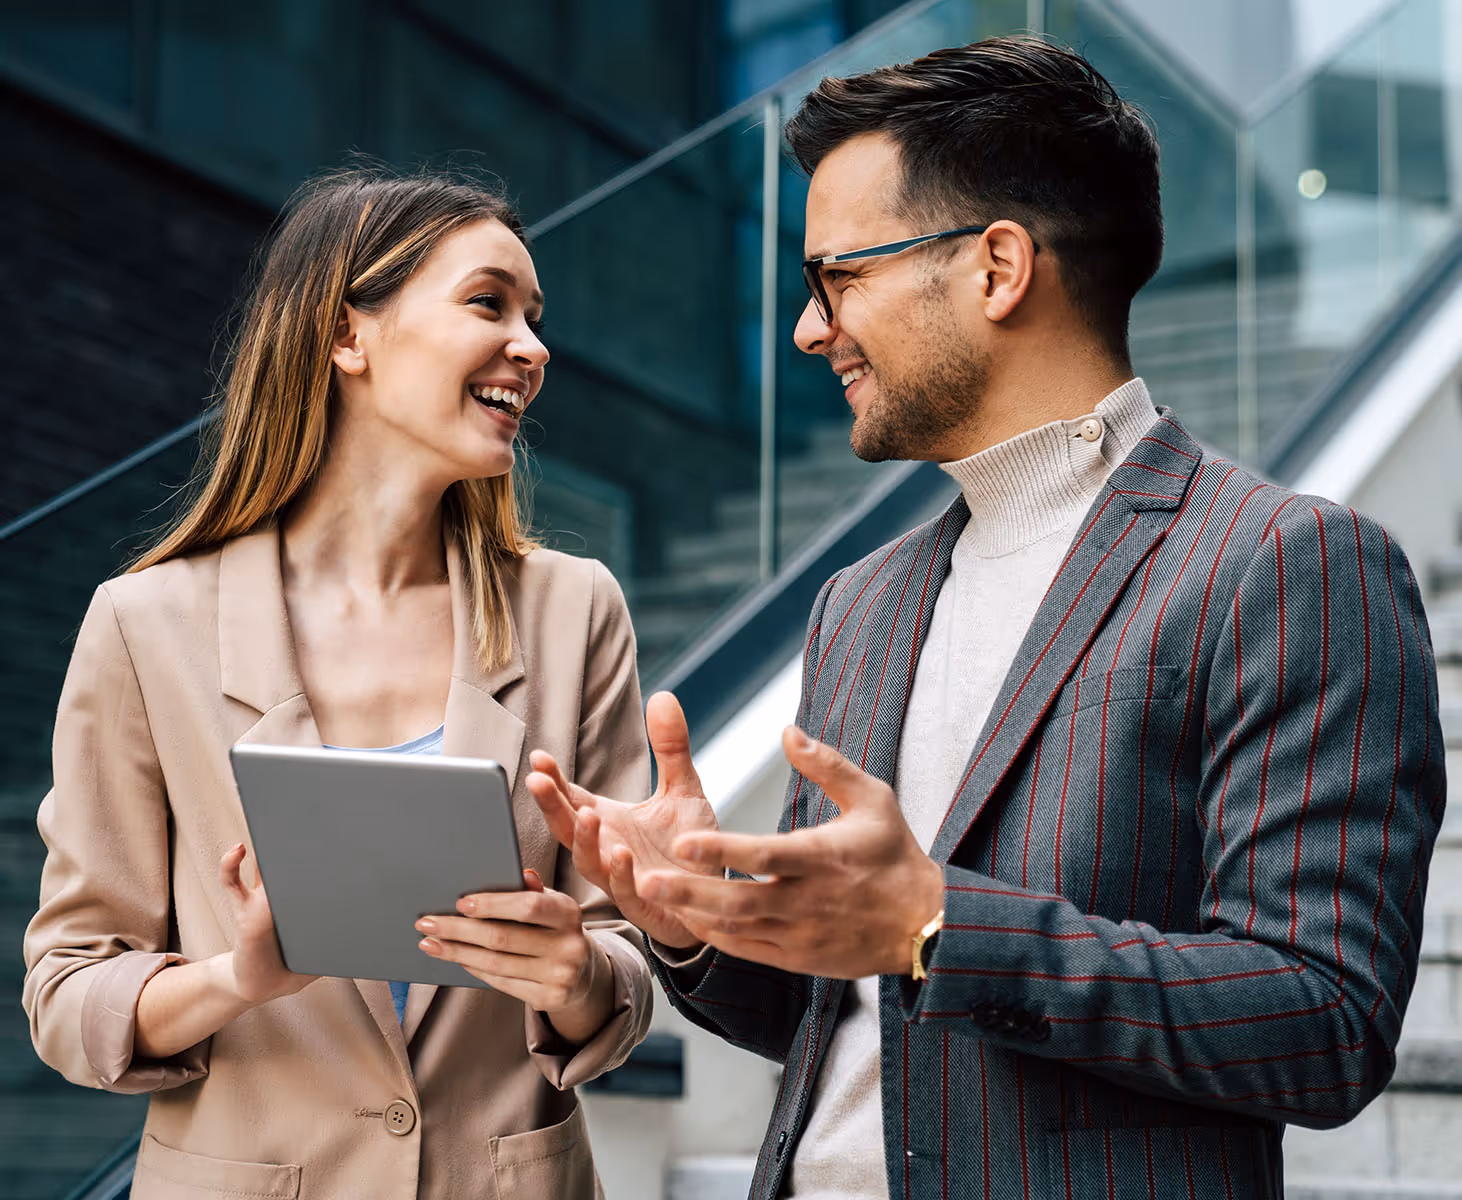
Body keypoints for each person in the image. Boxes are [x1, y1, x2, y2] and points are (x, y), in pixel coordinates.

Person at [528, 37, 1446, 1199]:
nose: (812, 330)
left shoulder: (1286, 564)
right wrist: (694, 921)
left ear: (998, 267)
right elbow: (852, 1025)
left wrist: (936, 924)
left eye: (836, 279)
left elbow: (1324, 1023)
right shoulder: (856, 605)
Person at [23, 165, 653, 1200]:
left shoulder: (574, 610)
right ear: (345, 334)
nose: (533, 348)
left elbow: (623, 961)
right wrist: (236, 981)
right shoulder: (146, 625)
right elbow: (66, 992)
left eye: (535, 318)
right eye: (488, 303)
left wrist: (579, 977)